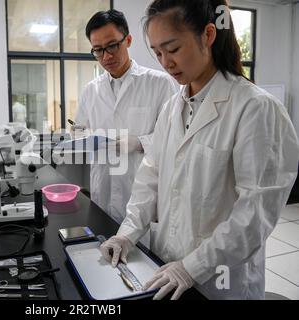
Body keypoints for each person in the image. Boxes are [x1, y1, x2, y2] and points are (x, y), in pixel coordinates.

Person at [100, 0, 299, 300]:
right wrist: (127, 234)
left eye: (173, 49)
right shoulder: (172, 108)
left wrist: (193, 267)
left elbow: (255, 214)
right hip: (166, 266)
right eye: (157, 52)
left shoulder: (256, 108)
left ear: (208, 34)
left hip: (222, 280)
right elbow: (149, 180)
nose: (165, 62)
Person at [74, 9, 176, 225]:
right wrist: (84, 137)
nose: (106, 56)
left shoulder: (159, 83)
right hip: (103, 190)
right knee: (104, 245)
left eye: (112, 46)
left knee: (142, 254)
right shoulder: (90, 90)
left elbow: (174, 136)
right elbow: (79, 129)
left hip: (141, 193)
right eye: (98, 50)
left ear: (128, 40)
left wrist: (139, 142)